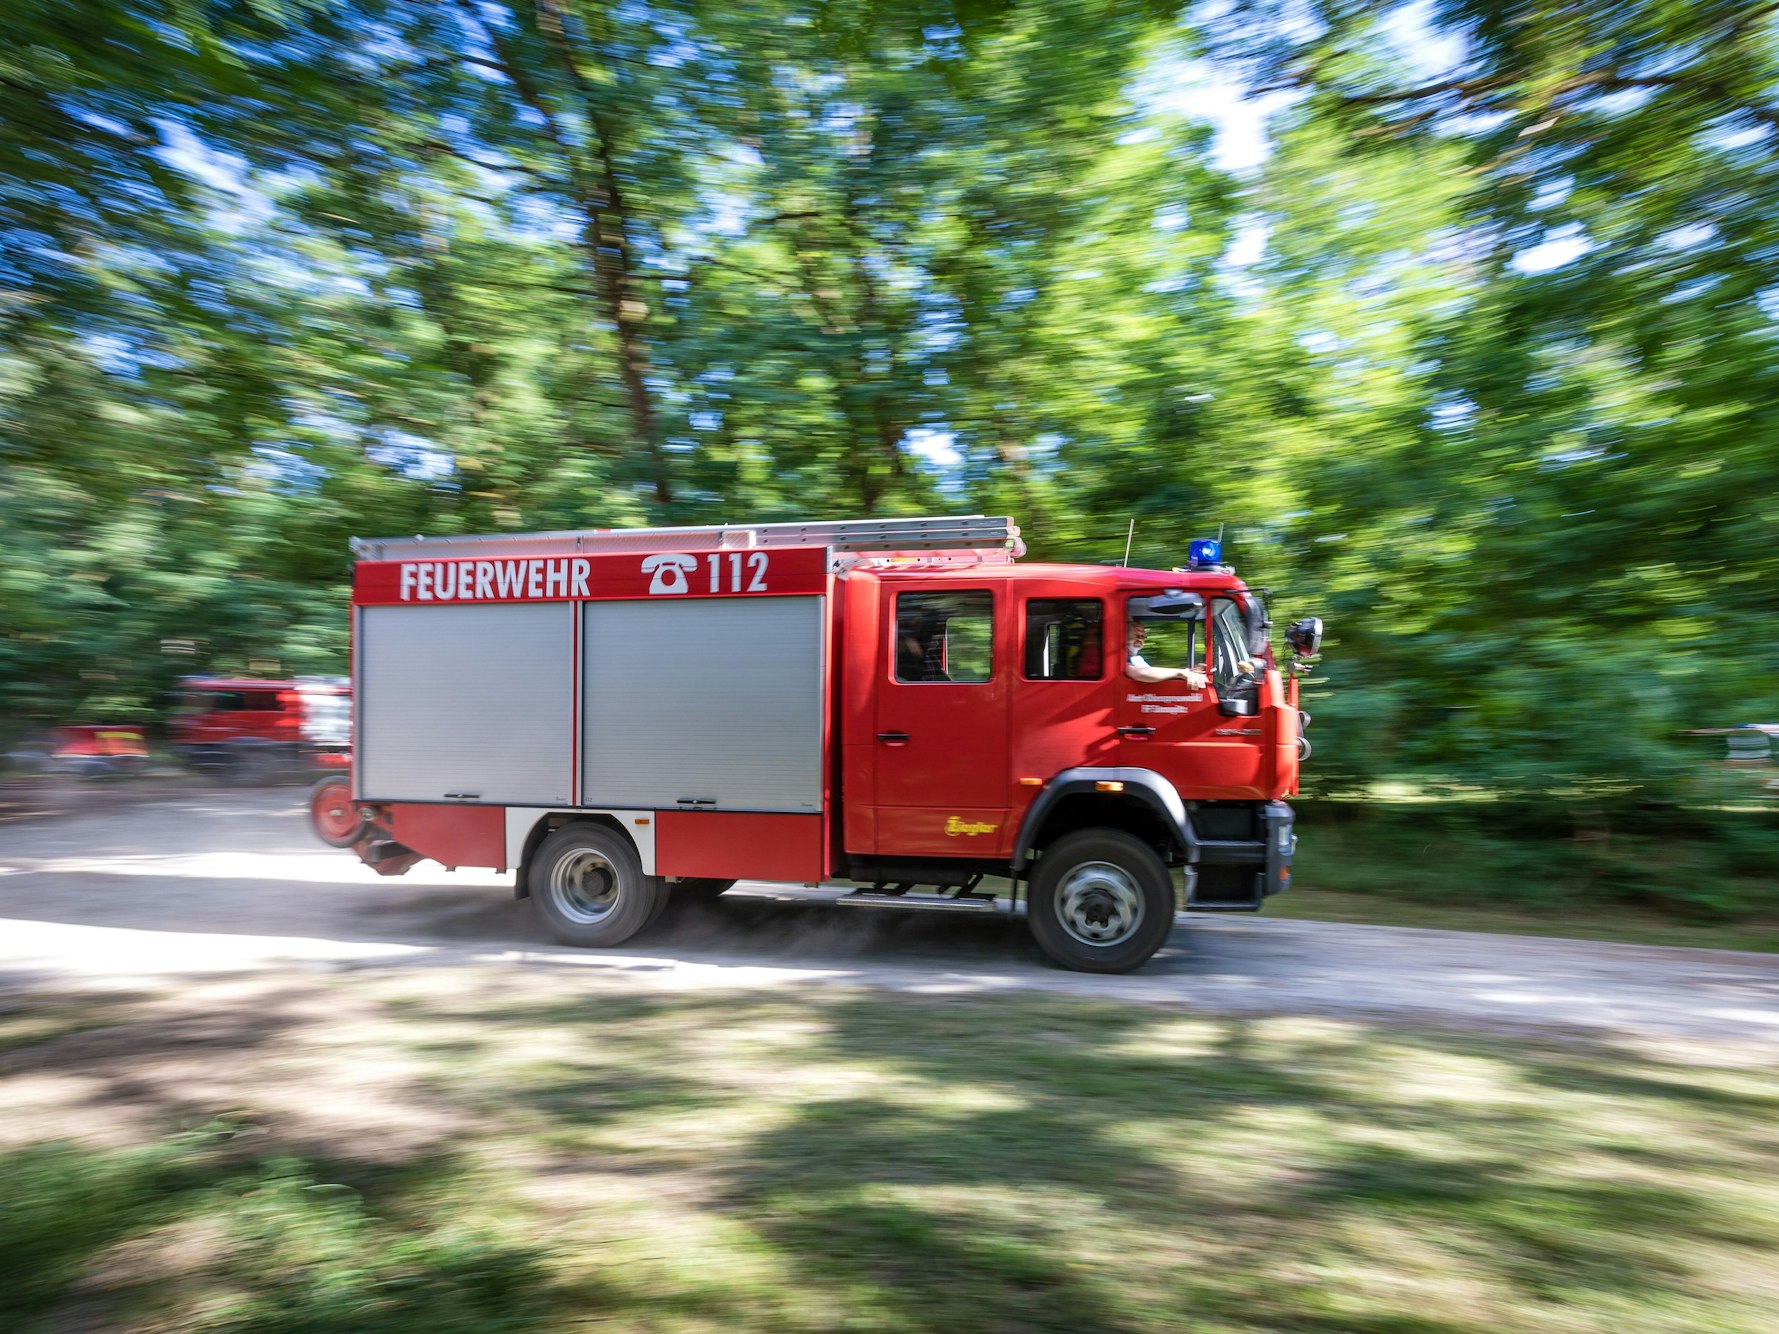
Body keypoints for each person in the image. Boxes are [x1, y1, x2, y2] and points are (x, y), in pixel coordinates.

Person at [1125, 618, 1208, 688]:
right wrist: (1179, 672)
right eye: (1136, 635)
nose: (1140, 639)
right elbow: (1138, 674)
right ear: (1125, 636)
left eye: (1143, 636)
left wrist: (1189, 671)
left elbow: (1155, 674)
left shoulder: (1137, 659)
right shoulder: (1124, 659)